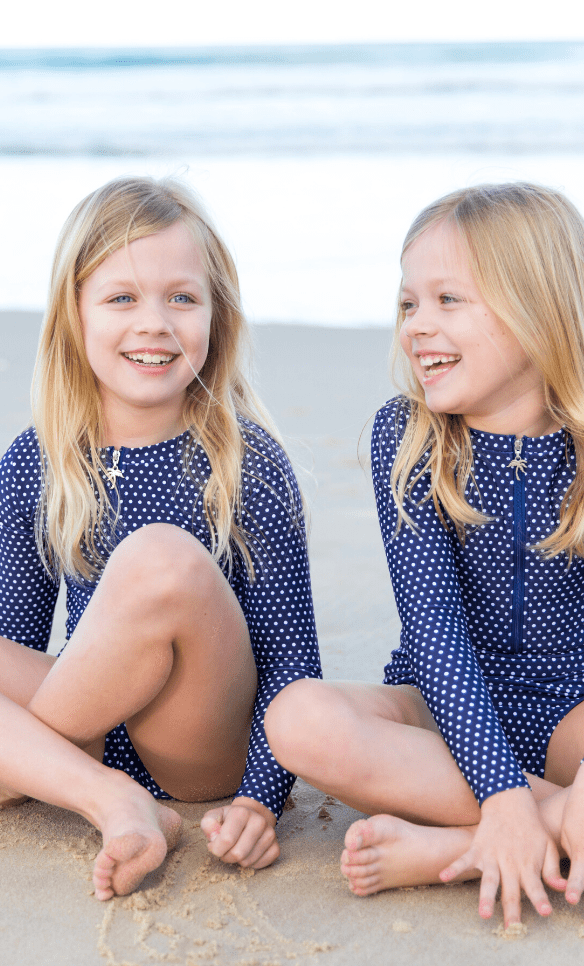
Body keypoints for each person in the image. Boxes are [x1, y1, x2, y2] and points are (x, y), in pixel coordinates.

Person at [265, 182, 584, 934]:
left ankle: (462, 845)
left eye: (447, 300)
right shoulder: (409, 437)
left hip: (578, 703)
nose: (417, 328)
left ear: (540, 308)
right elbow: (434, 631)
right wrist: (506, 793)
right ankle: (531, 825)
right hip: (437, 711)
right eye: (409, 304)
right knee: (297, 719)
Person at [0, 176, 320, 900]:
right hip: (90, 721)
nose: (155, 322)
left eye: (182, 297)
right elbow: (17, 645)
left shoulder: (248, 463)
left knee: (159, 556)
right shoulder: (36, 462)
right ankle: (111, 799)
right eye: (121, 298)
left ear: (217, 318)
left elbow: (292, 662)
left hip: (198, 745)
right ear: (73, 316)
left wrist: (260, 799)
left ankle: (33, 770)